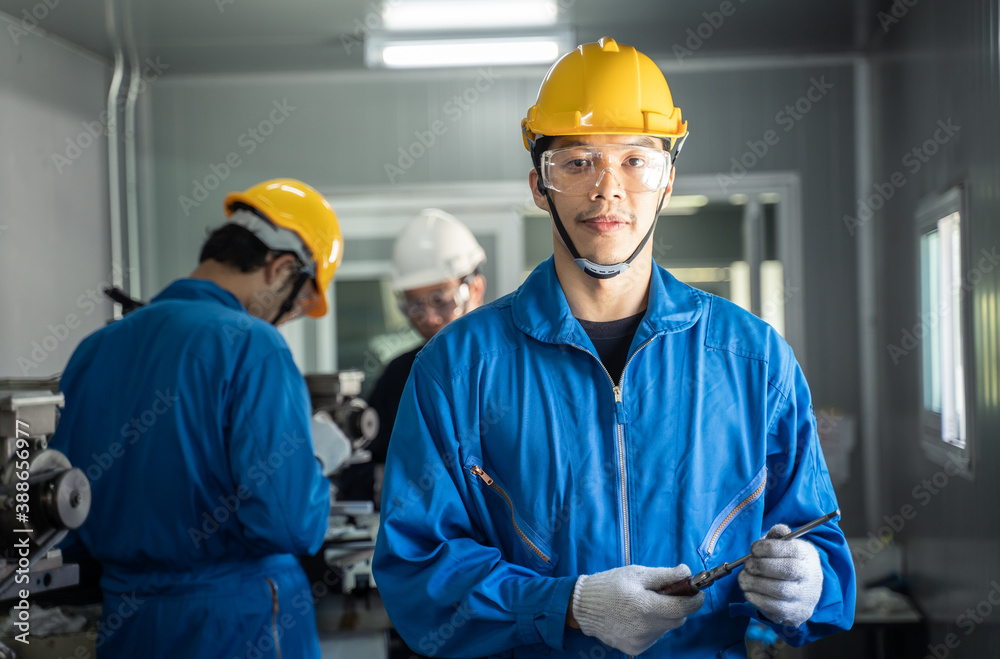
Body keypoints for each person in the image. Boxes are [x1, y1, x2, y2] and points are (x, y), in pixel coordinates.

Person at [372, 37, 855, 658]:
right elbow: (418, 575)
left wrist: (812, 580)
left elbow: (821, 537)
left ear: (668, 180)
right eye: (576, 163)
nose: (608, 190)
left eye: (635, 160)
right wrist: (568, 606)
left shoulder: (754, 361)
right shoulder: (459, 368)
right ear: (539, 185)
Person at [49, 178, 342, 658]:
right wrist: (310, 461)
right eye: (299, 303)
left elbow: (69, 519)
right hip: (238, 624)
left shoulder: (95, 350)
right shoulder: (254, 345)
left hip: (128, 622)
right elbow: (288, 523)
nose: (288, 319)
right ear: (281, 268)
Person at [340, 208, 487, 506]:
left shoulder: (514, 365)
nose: (429, 317)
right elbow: (356, 473)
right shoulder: (401, 375)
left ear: (475, 289)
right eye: (415, 306)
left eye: (440, 300)